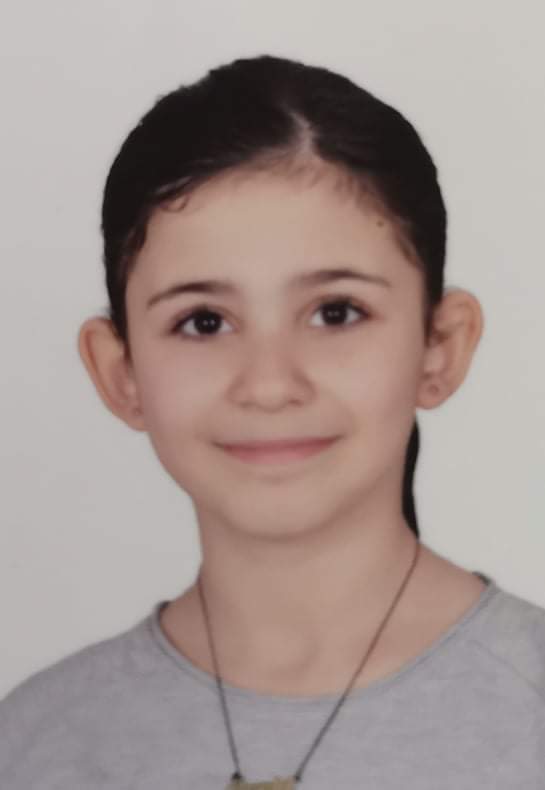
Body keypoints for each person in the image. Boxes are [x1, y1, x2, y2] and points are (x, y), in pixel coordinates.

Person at [1, 54, 544, 789]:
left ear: (439, 347)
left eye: (336, 312)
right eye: (203, 321)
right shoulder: (33, 745)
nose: (268, 385)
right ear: (120, 373)